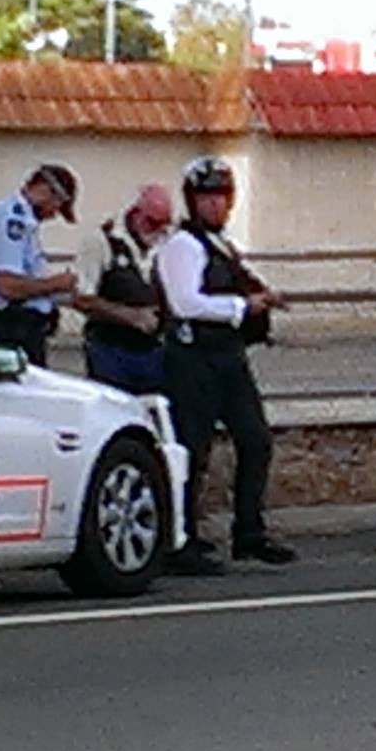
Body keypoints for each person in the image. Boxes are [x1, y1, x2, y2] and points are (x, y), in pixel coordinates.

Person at [156, 155, 297, 570]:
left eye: (221, 196)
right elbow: (185, 302)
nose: (214, 205)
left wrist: (262, 298)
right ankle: (179, 540)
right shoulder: (183, 246)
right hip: (192, 359)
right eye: (205, 197)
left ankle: (249, 532)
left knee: (256, 440)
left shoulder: (221, 246)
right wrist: (241, 305)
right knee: (191, 449)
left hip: (228, 357)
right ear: (191, 201)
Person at [0, 162, 79, 367]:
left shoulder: (19, 218)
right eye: (57, 206)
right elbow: (7, 285)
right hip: (12, 327)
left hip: (21, 327)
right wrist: (57, 284)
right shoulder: (13, 221)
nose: (54, 214)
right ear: (45, 191)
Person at [74, 183, 174, 393]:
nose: (156, 229)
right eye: (151, 222)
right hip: (110, 350)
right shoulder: (101, 241)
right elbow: (82, 298)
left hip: (155, 350)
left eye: (162, 224)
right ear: (136, 213)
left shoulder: (167, 243)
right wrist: (131, 316)